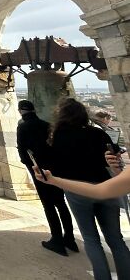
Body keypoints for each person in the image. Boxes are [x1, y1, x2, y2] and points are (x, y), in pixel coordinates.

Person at [47, 97, 130, 279]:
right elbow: (114, 153)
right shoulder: (98, 133)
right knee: (116, 239)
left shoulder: (58, 136)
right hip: (105, 187)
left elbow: (55, 166)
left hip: (77, 190)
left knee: (91, 239)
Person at [16, 99, 76, 255]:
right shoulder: (47, 125)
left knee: (48, 205)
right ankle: (69, 238)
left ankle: (56, 239)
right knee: (60, 203)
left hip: (38, 170)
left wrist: (29, 163)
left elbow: (22, 152)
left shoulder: (23, 127)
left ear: (20, 110)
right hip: (54, 169)